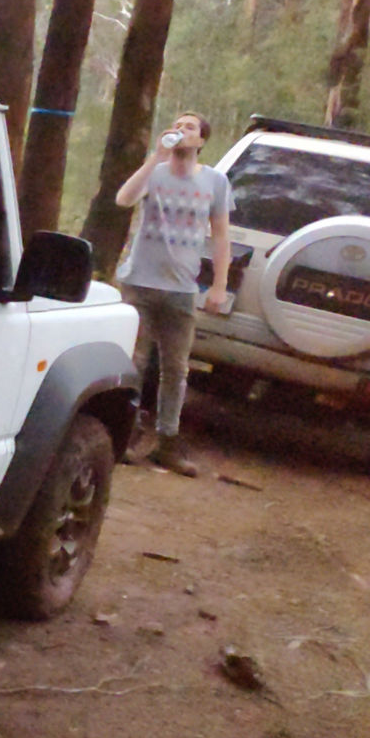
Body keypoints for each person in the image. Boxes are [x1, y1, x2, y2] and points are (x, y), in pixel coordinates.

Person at [112, 111, 234, 477]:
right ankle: (126, 433)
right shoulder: (156, 172)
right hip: (139, 283)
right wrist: (155, 158)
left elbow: (222, 236)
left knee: (176, 369)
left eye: (190, 128)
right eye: (177, 126)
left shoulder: (215, 182)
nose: (181, 132)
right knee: (133, 362)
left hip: (181, 288)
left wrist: (219, 285)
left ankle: (167, 442)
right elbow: (123, 199)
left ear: (201, 140)